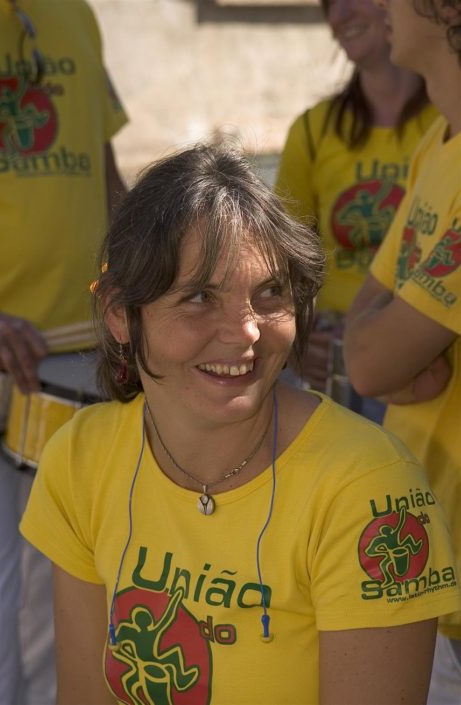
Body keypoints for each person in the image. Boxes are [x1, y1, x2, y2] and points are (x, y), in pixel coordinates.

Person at [19, 143, 460, 705]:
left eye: (269, 293)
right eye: (200, 297)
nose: (247, 332)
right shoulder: (79, 458)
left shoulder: (370, 491)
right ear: (117, 313)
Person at [0, 0, 127, 703]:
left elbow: (105, 174)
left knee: (62, 578)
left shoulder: (75, 13)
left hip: (73, 356)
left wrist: (141, 282)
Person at [344, 0, 461, 701]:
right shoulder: (435, 143)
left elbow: (370, 363)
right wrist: (402, 352)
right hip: (433, 547)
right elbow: (364, 326)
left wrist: (395, 355)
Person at [275, 0, 438, 417]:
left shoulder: (448, 121)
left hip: (432, 353)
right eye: (329, 4)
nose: (338, 15)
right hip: (337, 363)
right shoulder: (313, 131)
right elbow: (281, 264)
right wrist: (296, 339)